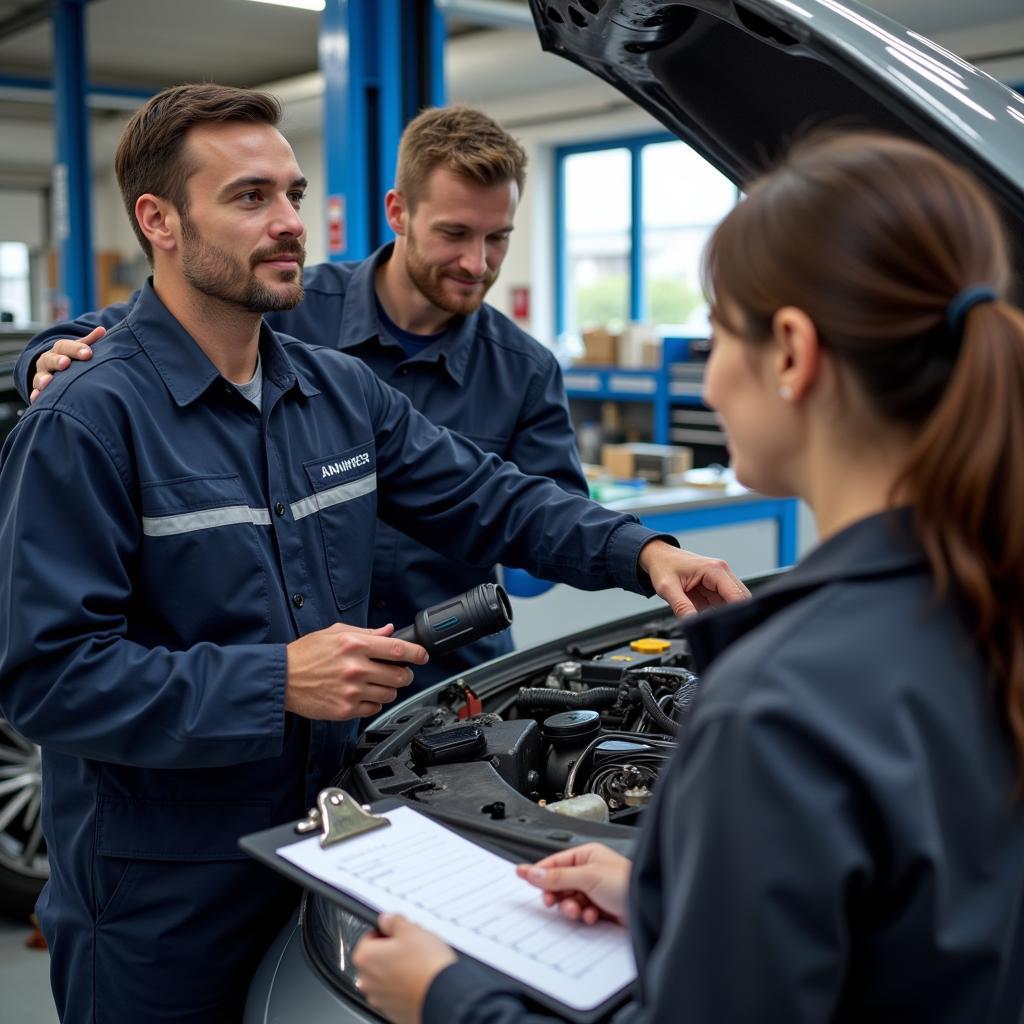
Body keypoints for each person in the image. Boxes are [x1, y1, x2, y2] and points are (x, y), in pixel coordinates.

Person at [0, 84, 746, 1023]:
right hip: (165, 892)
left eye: (293, 194)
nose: (288, 225)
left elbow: (494, 496)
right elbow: (47, 678)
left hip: (338, 835)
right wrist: (272, 681)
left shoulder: (337, 390)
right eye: (248, 198)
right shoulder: (89, 423)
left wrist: (645, 554)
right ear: (159, 220)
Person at [350, 131, 1024, 1024]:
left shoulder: (779, 701)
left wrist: (446, 997)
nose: (706, 384)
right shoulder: (980, 604)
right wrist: (679, 901)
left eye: (714, 336)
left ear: (790, 352)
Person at [17, 105, 589, 693]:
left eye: (498, 239)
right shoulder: (283, 303)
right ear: (399, 213)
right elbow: (136, 328)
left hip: (446, 675)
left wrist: (634, 551)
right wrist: (47, 356)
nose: (478, 262)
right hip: (280, 695)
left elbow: (519, 508)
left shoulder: (520, 367)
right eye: (454, 233)